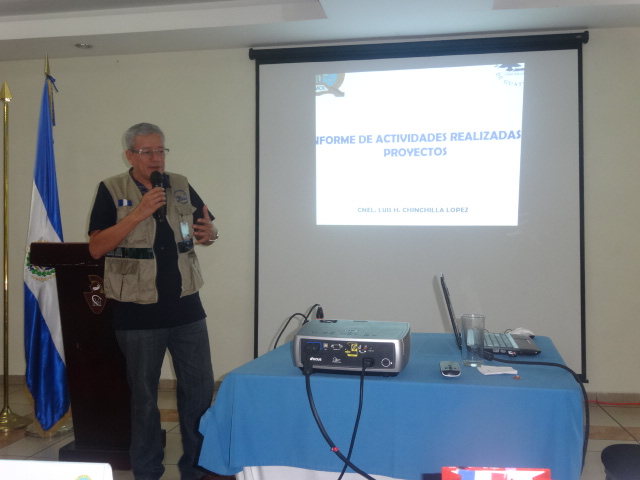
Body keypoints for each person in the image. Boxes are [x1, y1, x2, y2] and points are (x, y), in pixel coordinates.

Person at [88, 122, 222, 480]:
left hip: (186, 307)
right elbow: (97, 247)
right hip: (137, 312)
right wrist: (139, 212)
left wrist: (211, 233)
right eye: (146, 151)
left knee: (199, 393)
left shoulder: (179, 184)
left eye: (161, 150)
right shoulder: (111, 189)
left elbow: (205, 230)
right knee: (145, 399)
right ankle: (147, 472)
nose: (156, 158)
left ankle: (196, 470)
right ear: (129, 155)